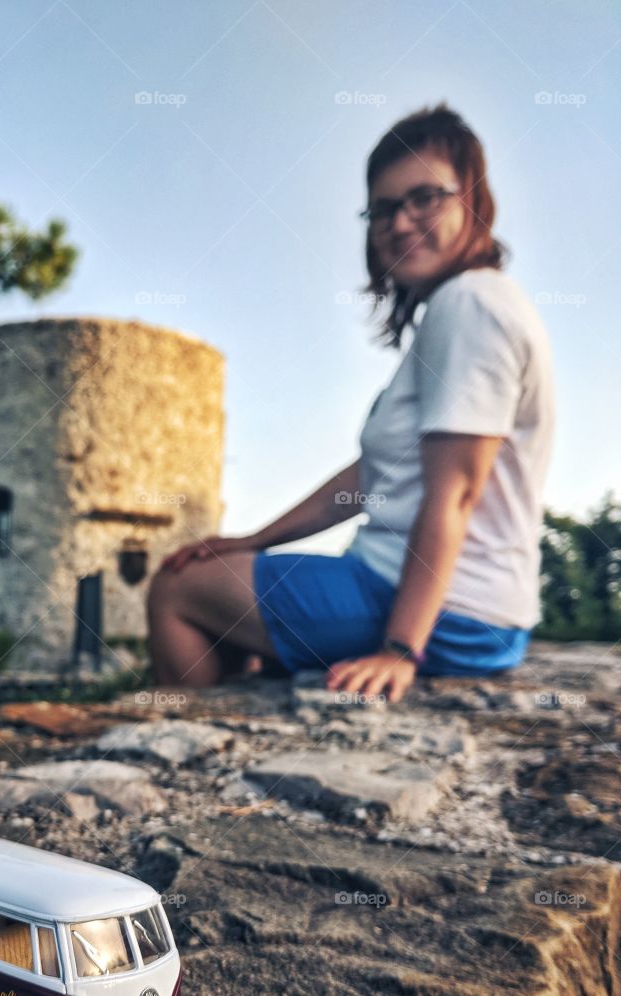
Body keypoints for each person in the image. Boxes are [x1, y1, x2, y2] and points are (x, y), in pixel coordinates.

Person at [147, 102, 555, 705]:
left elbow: (456, 495)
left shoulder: (470, 307)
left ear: (471, 200)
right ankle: (248, 690)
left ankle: (197, 728)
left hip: (447, 612)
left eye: (425, 198)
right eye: (384, 208)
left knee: (178, 590)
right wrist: (255, 540)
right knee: (221, 584)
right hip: (468, 608)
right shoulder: (465, 310)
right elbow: (372, 478)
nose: (400, 221)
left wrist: (399, 649)